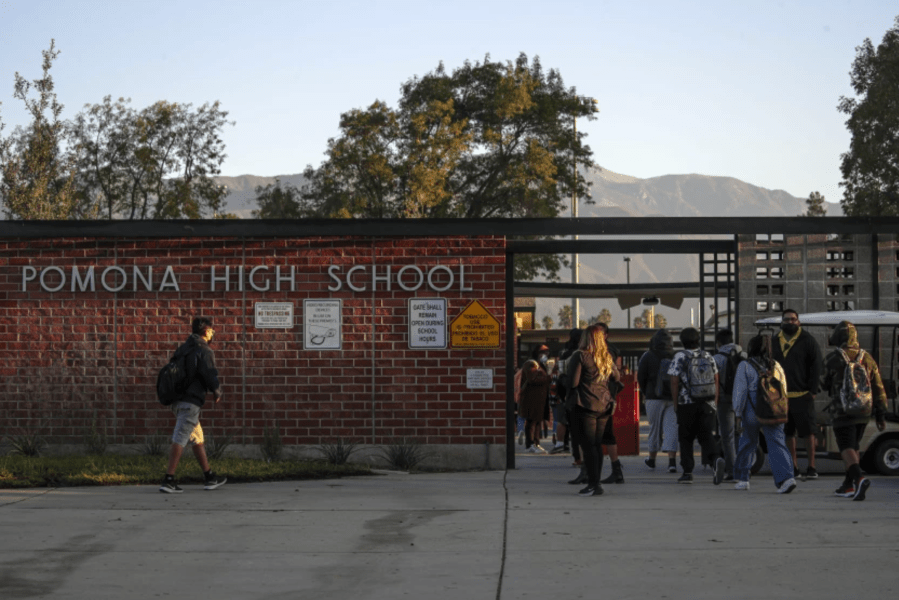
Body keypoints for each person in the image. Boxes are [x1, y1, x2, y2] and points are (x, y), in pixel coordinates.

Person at [159, 317, 227, 493]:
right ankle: (168, 480)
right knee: (180, 437)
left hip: (178, 400)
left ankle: (209, 477)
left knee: (197, 438)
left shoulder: (184, 348)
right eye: (212, 330)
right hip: (190, 402)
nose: (213, 333)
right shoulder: (203, 350)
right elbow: (209, 373)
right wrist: (217, 391)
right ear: (206, 331)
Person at [823, 321, 888, 501]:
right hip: (864, 412)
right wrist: (881, 414)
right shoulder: (867, 358)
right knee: (855, 447)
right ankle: (848, 485)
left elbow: (821, 382)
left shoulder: (833, 358)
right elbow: (878, 387)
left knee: (846, 448)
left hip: (842, 411)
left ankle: (859, 478)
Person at [732, 334, 797, 493]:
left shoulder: (745, 366)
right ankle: (786, 479)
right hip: (773, 411)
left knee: (747, 443)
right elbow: (784, 390)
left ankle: (743, 478)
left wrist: (738, 413)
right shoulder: (776, 366)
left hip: (751, 411)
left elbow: (740, 392)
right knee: (777, 443)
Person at [567, 324, 621, 496]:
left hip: (585, 404)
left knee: (588, 445)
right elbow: (616, 377)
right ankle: (596, 482)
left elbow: (573, 383)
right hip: (604, 405)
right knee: (597, 445)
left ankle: (593, 484)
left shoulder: (580, 356)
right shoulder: (605, 356)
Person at [668, 327, 726, 485]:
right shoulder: (708, 356)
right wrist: (714, 401)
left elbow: (674, 380)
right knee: (706, 436)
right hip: (707, 403)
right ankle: (716, 459)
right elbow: (716, 378)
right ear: (698, 340)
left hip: (686, 404)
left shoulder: (680, 356)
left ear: (682, 341)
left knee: (686, 439)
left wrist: (675, 403)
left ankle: (687, 473)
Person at [772, 309, 824, 479]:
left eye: (793, 320)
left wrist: (813, 390)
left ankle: (811, 467)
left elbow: (816, 366)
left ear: (799, 322)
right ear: (782, 322)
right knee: (788, 433)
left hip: (803, 395)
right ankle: (793, 467)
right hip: (782, 397)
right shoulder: (774, 341)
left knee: (809, 432)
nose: (790, 322)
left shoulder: (808, 340)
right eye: (787, 320)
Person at [637, 328, 678, 473]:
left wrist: (645, 392)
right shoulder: (675, 356)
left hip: (653, 397)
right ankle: (672, 462)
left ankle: (652, 460)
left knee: (654, 429)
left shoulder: (648, 356)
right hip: (673, 398)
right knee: (672, 429)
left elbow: (641, 377)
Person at [595, 322, 626, 485]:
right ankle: (615, 472)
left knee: (604, 435)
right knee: (602, 436)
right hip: (600, 397)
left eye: (599, 333)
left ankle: (611, 471)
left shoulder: (608, 351)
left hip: (603, 399)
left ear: (606, 335)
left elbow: (612, 372)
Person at [712, 328, 745, 482]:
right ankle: (744, 468)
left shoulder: (716, 359)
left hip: (725, 400)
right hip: (743, 400)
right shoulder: (743, 356)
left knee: (728, 436)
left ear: (718, 342)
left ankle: (732, 471)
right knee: (743, 435)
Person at [519, 345, 552, 453]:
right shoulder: (531, 364)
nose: (546, 355)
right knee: (531, 422)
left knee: (538, 422)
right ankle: (530, 444)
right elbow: (532, 379)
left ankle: (536, 443)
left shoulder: (541, 365)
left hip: (539, 399)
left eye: (547, 353)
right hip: (531, 398)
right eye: (543, 352)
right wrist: (548, 377)